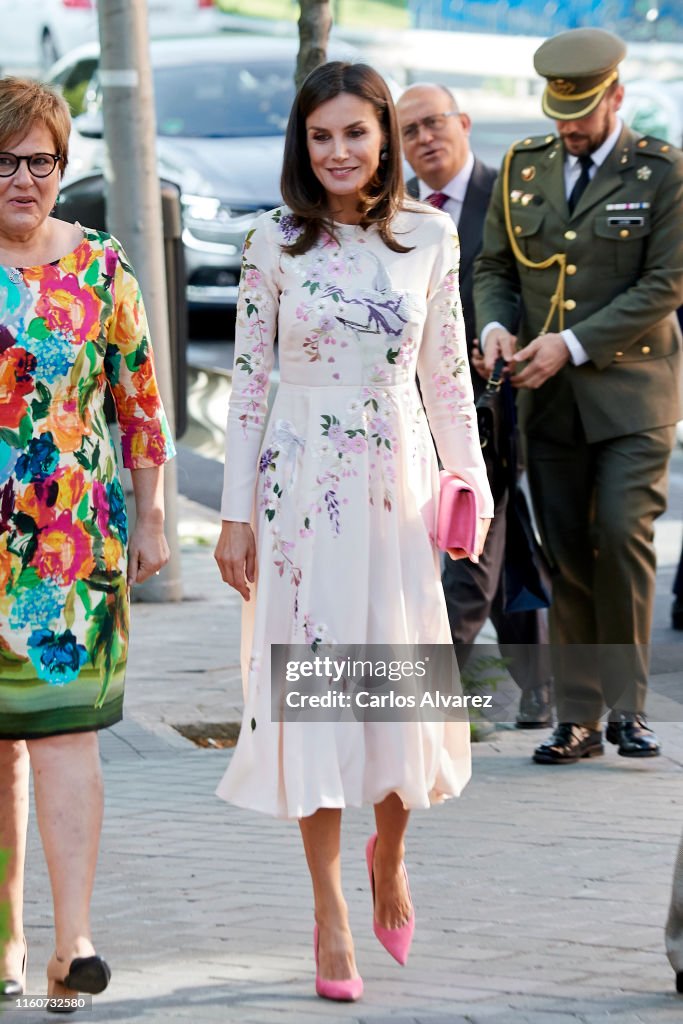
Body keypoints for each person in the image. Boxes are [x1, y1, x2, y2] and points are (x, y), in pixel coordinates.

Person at [214, 62, 493, 1000]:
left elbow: (446, 375)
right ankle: (331, 913)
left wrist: (472, 489)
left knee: (398, 693)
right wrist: (234, 516)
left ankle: (389, 858)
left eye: (354, 134)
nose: (337, 152)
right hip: (298, 494)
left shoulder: (430, 237)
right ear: (302, 143)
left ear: (384, 138)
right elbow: (248, 385)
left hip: (398, 489)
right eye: (319, 136)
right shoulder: (270, 242)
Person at [0, 78, 175, 1005]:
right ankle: (4, 946)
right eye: (4, 161)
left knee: (66, 741)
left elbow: (142, 405)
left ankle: (73, 942)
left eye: (41, 161)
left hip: (70, 549)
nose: (23, 180)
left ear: (64, 167)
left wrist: (152, 514)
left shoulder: (103, 267)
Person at [475, 27, 683, 764]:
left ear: (616, 96)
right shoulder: (522, 168)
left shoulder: (662, 172)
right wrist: (497, 325)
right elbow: (494, 265)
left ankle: (627, 708)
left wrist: (572, 343)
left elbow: (665, 284)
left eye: (584, 111)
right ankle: (579, 718)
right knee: (565, 551)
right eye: (559, 110)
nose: (568, 125)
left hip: (632, 395)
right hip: (547, 398)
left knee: (621, 536)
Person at [396, 82, 552, 729]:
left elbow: (528, 283)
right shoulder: (396, 213)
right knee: (504, 544)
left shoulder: (507, 201)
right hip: (415, 412)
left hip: (496, 408)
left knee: (470, 553)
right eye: (409, 131)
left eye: (434, 123)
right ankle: (540, 687)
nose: (425, 138)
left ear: (462, 123)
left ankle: (423, 700)